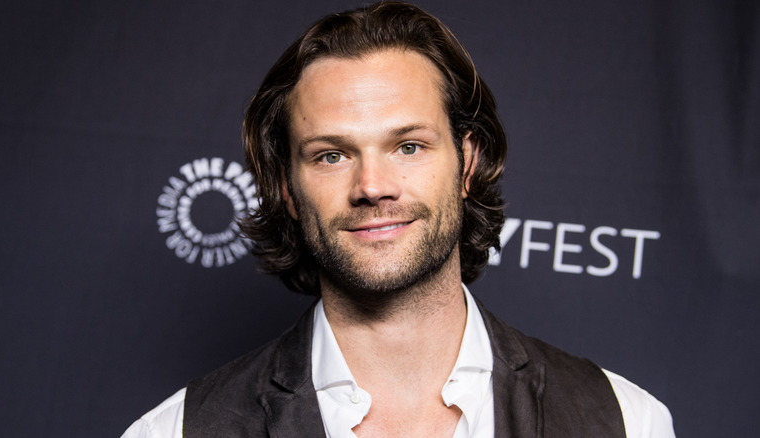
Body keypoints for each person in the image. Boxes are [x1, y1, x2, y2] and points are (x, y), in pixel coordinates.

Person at [122, 2, 675, 437]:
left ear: (468, 163)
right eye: (331, 155)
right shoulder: (173, 432)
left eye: (408, 146)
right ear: (286, 189)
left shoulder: (628, 423)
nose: (372, 187)